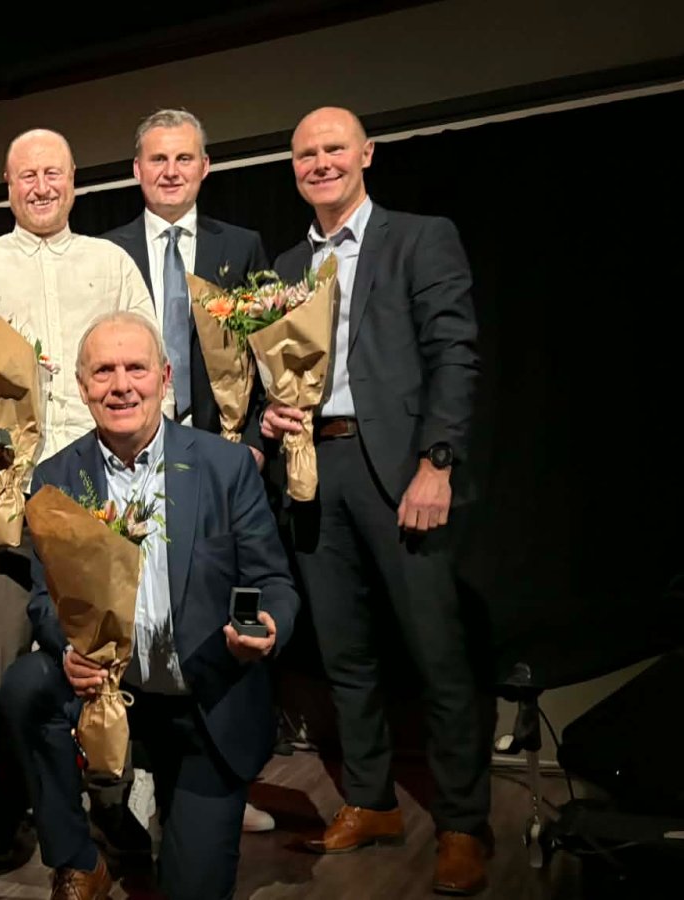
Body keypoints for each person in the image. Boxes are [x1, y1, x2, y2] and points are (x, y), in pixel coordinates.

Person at [260, 106, 487, 895]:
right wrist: (273, 414)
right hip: (314, 470)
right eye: (305, 153)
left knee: (437, 654)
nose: (320, 162)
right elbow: (282, 369)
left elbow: (454, 354)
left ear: (366, 154)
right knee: (344, 653)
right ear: (294, 169)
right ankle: (371, 800)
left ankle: (462, 824)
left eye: (333, 148)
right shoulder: (287, 265)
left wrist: (437, 463)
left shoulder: (419, 239)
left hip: (400, 469)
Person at [2, 312, 299, 900]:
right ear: (82, 387)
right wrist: (68, 650)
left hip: (202, 704)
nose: (121, 386)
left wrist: (267, 625)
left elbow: (273, 582)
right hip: (107, 693)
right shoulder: (56, 479)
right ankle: (79, 858)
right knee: (26, 685)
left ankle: (155, 822)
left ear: (164, 378)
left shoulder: (225, 466)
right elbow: (44, 600)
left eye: (136, 368)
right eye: (103, 372)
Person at [0, 128, 156, 867]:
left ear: (74, 182)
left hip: (97, 487)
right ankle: (5, 802)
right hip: (4, 487)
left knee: (101, 651)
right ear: (7, 185)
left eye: (53, 173)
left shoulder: (111, 264)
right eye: (26, 175)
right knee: (3, 659)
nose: (40, 186)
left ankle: (109, 798)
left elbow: (149, 361)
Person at [100, 107, 277, 843]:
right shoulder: (107, 252)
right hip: (133, 455)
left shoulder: (243, 245)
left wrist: (253, 444)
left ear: (205, 167)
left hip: (219, 460)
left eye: (183, 159)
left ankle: (224, 774)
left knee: (219, 617)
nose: (170, 171)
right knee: (142, 617)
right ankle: (145, 775)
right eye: (156, 159)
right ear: (136, 171)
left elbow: (270, 349)